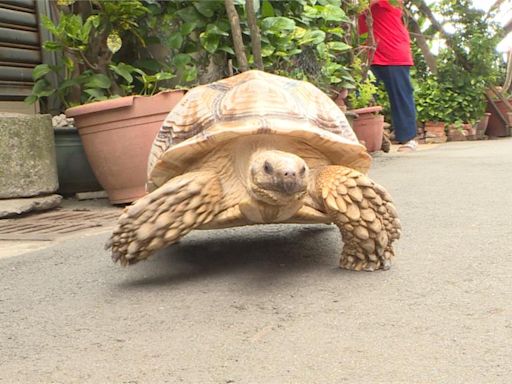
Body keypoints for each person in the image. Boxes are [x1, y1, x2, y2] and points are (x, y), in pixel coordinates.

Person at [358, 0, 418, 152]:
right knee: (360, 95)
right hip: (371, 53)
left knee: (400, 95)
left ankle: (408, 139)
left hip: (394, 53)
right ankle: (364, 138)